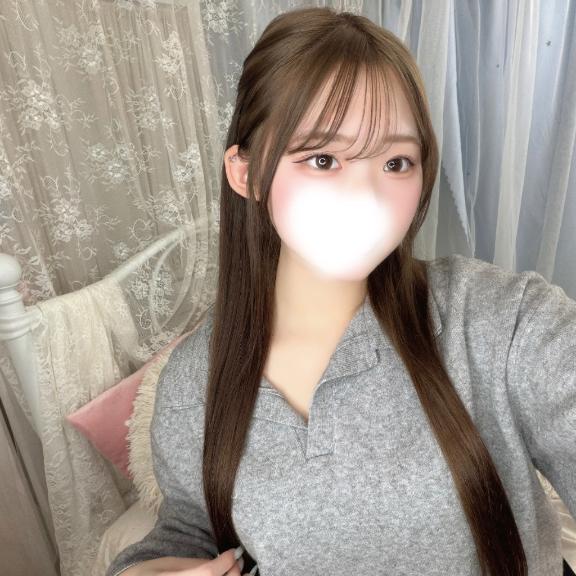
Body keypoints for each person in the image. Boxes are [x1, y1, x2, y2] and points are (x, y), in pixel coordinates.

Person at [107, 6, 576, 576]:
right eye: (324, 159)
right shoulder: (193, 383)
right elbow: (190, 527)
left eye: (396, 162)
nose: (367, 198)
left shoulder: (505, 323)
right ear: (245, 174)